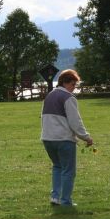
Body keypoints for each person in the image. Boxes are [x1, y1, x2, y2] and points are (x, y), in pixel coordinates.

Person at [41, 69, 93, 206]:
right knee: (68, 171)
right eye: (72, 84)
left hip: (47, 139)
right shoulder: (68, 98)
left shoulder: (49, 96)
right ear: (64, 83)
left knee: (57, 167)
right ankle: (65, 200)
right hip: (63, 139)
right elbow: (75, 122)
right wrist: (86, 137)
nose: (73, 88)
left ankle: (55, 197)